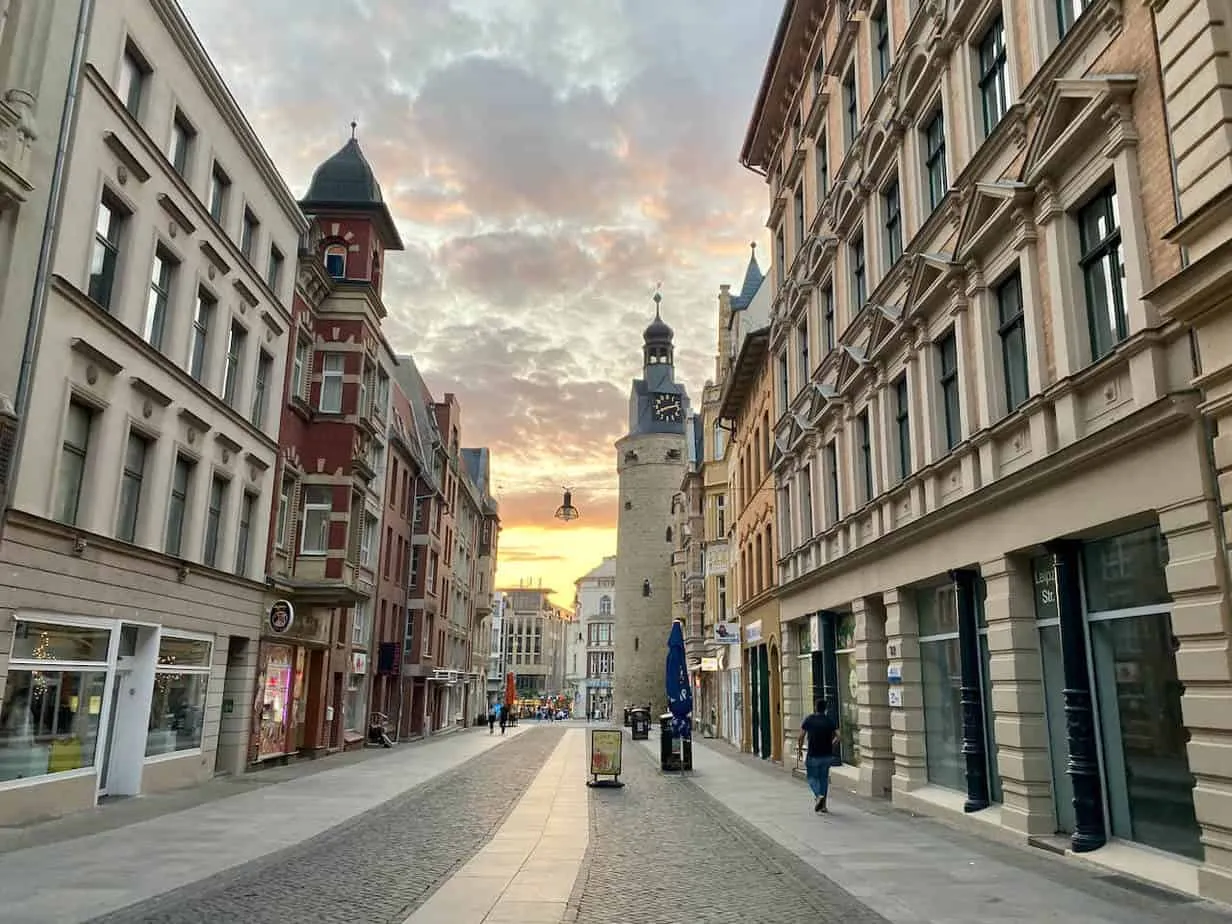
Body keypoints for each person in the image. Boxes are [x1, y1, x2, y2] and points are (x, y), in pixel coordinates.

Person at [797, 698, 840, 814]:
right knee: (823, 779)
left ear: (815, 707)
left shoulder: (809, 719)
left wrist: (800, 749)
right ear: (825, 709)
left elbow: (801, 736)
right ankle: (824, 806)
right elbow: (839, 736)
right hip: (826, 755)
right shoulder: (829, 720)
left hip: (813, 754)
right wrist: (832, 745)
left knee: (811, 778)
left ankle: (818, 796)